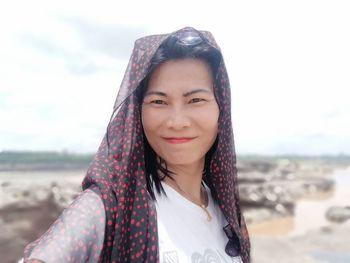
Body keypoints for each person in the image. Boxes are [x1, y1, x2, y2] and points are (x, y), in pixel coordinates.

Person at [23, 27, 250, 263]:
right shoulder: (108, 207)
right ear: (137, 113)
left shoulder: (224, 209)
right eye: (158, 101)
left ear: (221, 108)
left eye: (195, 100)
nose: (177, 121)